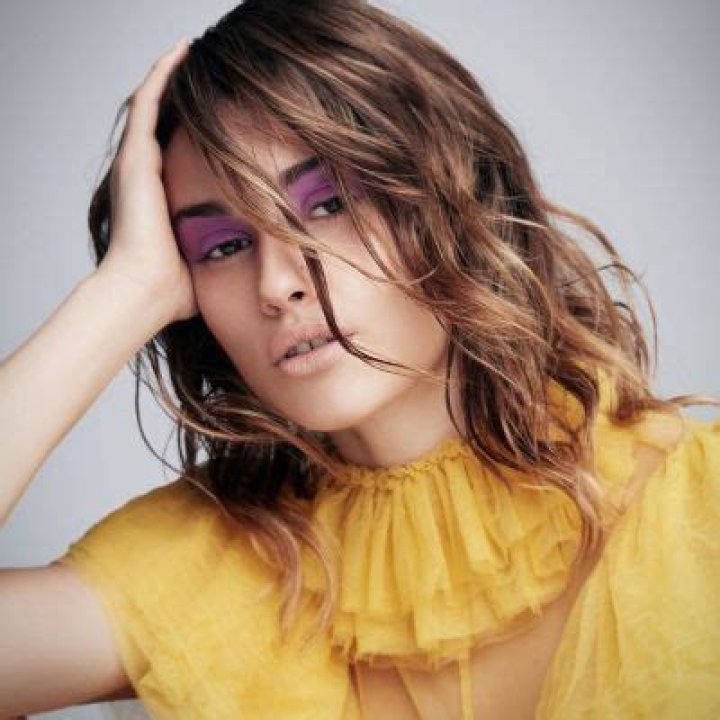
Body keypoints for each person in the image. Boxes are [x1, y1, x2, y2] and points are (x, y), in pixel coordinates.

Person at [1, 1, 718, 718]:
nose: (278, 285)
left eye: (330, 204)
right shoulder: (210, 563)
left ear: (453, 192)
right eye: (222, 247)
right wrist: (125, 293)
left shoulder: (695, 507)